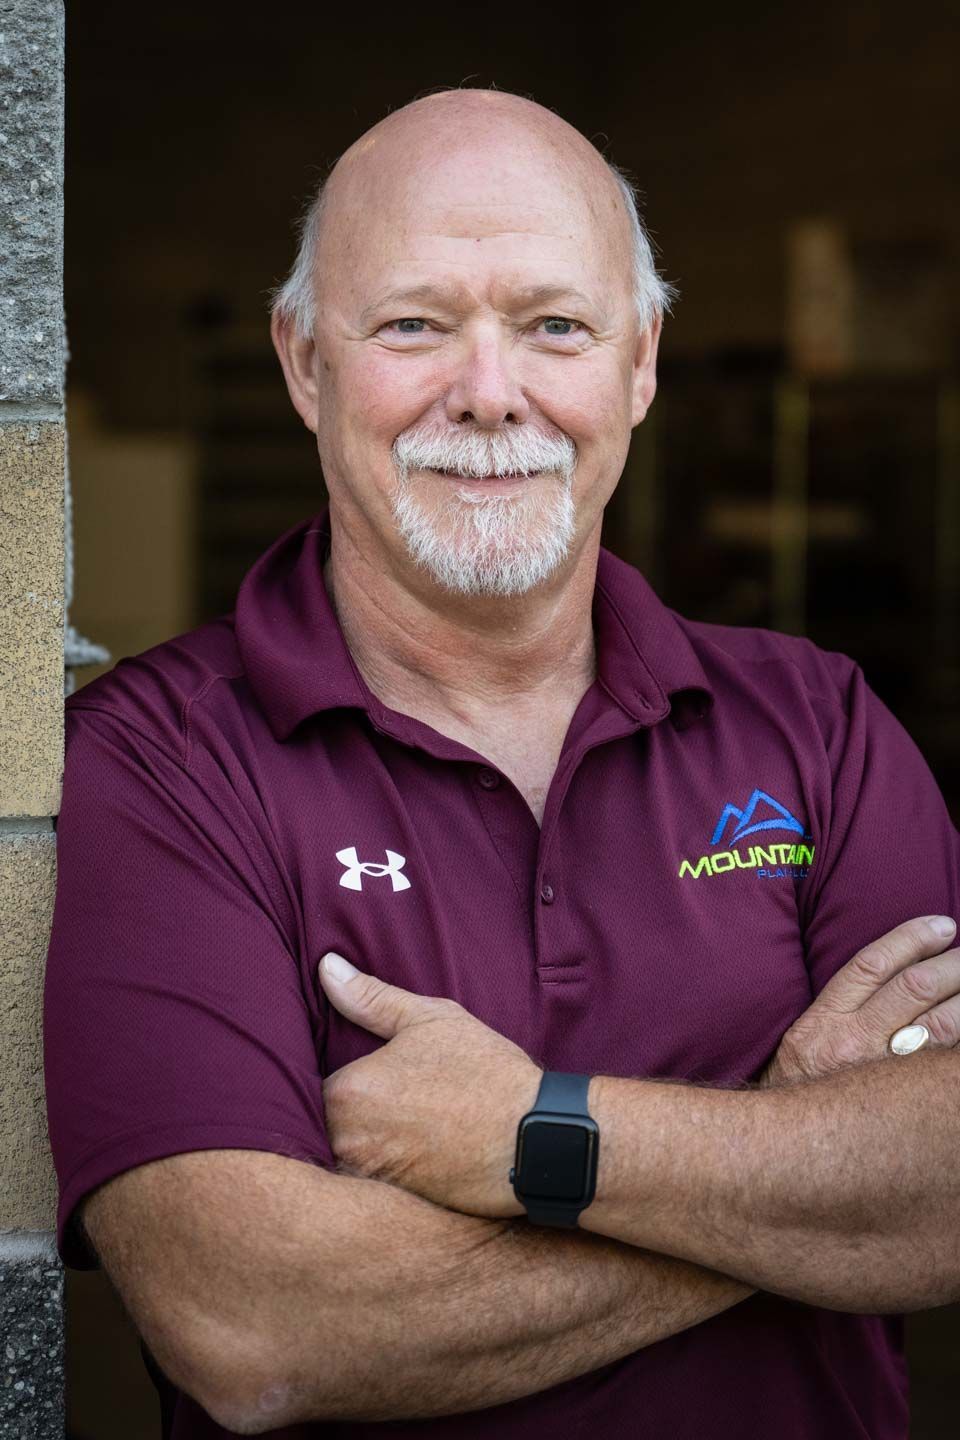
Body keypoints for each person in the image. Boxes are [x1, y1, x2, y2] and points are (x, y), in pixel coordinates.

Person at [43, 87, 960, 1440]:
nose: (488, 392)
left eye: (556, 327)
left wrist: (541, 1135)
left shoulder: (816, 722)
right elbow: (254, 1325)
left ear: (640, 363)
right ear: (305, 362)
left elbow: (944, 1191)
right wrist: (786, 1159)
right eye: (413, 324)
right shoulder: (161, 763)